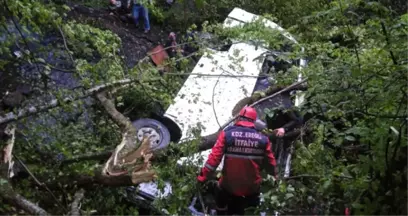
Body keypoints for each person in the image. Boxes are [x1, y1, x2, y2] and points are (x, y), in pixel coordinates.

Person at [197, 106, 278, 216]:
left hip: (228, 187)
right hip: (251, 190)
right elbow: (271, 164)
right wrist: (275, 176)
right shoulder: (263, 139)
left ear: (239, 118)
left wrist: (202, 178)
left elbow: (213, 161)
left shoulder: (227, 134)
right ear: (254, 121)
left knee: (221, 206)